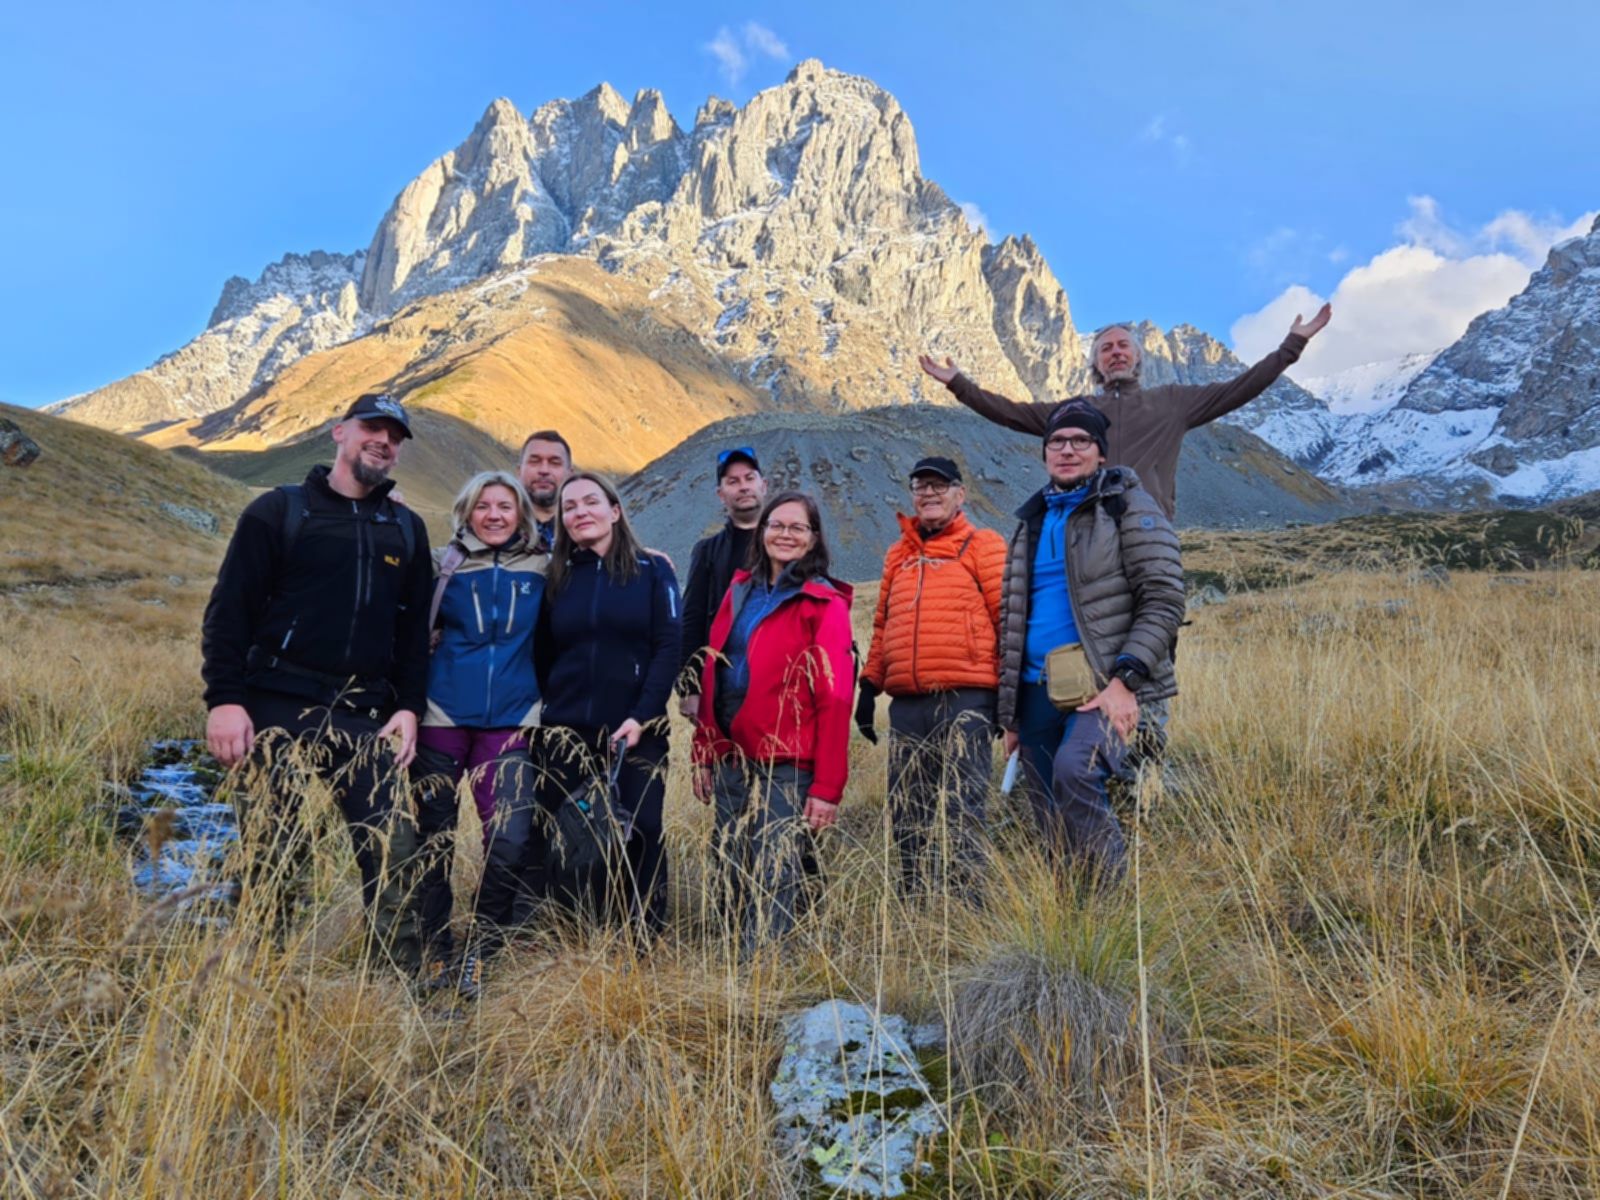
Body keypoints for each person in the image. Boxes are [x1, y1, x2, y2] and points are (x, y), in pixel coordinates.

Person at [201, 392, 432, 976]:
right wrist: (225, 700)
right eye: (372, 428)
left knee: (394, 849)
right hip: (274, 703)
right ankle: (258, 976)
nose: (384, 442)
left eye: (395, 437)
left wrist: (408, 706)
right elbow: (229, 613)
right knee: (272, 848)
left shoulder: (406, 528)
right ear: (339, 432)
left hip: (364, 713)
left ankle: (396, 985)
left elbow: (413, 633)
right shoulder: (278, 511)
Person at [996, 400, 1185, 884]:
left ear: (1101, 453)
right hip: (1036, 690)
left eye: (1081, 441)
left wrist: (1126, 681)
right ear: (1044, 453)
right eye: (1057, 441)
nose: (1067, 450)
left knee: (1076, 770)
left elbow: (1163, 599)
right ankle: (1068, 908)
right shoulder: (1031, 520)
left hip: (1104, 685)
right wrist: (1012, 715)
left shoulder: (1128, 506)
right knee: (1044, 802)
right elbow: (1015, 617)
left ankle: (1111, 900)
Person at [918, 305, 1333, 521]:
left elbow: (1240, 388)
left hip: (1148, 527)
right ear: (1095, 364)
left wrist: (1291, 347)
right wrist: (959, 384)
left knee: (1151, 629)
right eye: (1106, 349)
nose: (1115, 352)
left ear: (1137, 357)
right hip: (1087, 527)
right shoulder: (1075, 411)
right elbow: (1010, 412)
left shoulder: (1173, 402)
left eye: (1123, 346)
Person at [692, 491, 855, 951]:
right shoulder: (740, 591)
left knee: (774, 869)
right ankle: (726, 961)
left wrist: (827, 788)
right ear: (762, 531)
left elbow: (836, 698)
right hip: (732, 755)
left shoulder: (823, 603)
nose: (785, 534)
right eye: (776, 525)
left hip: (787, 761)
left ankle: (763, 968)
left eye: (797, 527)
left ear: (814, 538)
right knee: (729, 860)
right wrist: (704, 748)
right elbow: (713, 672)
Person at [412, 471, 546, 998]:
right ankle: (435, 947)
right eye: (483, 506)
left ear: (521, 514)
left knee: (510, 838)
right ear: (466, 512)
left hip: (512, 720)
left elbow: (600, 563)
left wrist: (650, 557)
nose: (494, 515)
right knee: (434, 839)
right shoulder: (442, 565)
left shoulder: (543, 566)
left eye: (505, 506)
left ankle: (483, 947)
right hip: (441, 716)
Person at [534, 471, 681, 933]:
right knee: (569, 831)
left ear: (615, 511)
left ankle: (643, 932)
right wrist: (552, 711)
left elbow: (668, 647)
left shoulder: (653, 570)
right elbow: (542, 653)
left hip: (637, 729)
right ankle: (576, 930)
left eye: (590, 502)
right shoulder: (556, 578)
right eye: (570, 506)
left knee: (643, 827)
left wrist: (642, 715)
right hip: (565, 732)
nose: (580, 512)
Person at [857, 456, 1006, 899]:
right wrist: (869, 685)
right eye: (921, 487)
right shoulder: (898, 554)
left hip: (967, 698)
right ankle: (913, 901)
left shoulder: (984, 545)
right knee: (907, 807)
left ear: (960, 494)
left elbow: (1009, 621)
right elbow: (883, 624)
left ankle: (966, 904)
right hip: (907, 703)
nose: (929, 494)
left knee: (963, 804)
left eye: (939, 486)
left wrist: (1009, 697)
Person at [677, 447, 769, 719]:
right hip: (725, 691)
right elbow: (691, 619)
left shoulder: (790, 542)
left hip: (781, 682)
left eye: (749, 478)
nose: (743, 487)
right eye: (733, 481)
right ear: (721, 495)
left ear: (763, 485)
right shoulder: (707, 551)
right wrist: (689, 687)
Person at [518, 430, 573, 552]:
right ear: (519, 471)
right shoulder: (496, 528)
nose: (544, 470)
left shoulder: (584, 532)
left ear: (570, 474)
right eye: (534, 461)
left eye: (555, 463)